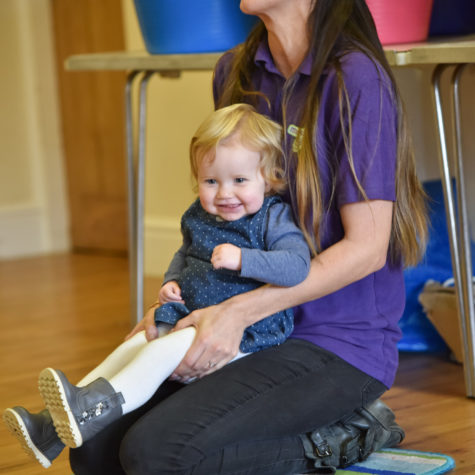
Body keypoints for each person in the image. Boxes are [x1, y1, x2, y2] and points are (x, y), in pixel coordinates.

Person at [10, 0, 429, 473]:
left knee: (153, 454)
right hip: (251, 330)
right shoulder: (236, 72)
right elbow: (219, 222)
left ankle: (346, 436)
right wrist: (173, 303)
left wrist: (236, 312)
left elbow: (369, 249)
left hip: (336, 342)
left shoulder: (355, 77)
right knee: (95, 449)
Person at [3, 103, 312, 468]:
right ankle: (51, 429)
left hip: (247, 329)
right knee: (133, 346)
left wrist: (244, 258)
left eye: (240, 181)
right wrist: (169, 284)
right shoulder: (199, 213)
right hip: (189, 311)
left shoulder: (273, 216)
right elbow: (184, 255)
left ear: (270, 178)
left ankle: (92, 410)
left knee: (158, 354)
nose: (225, 193)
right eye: (211, 181)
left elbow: (297, 267)